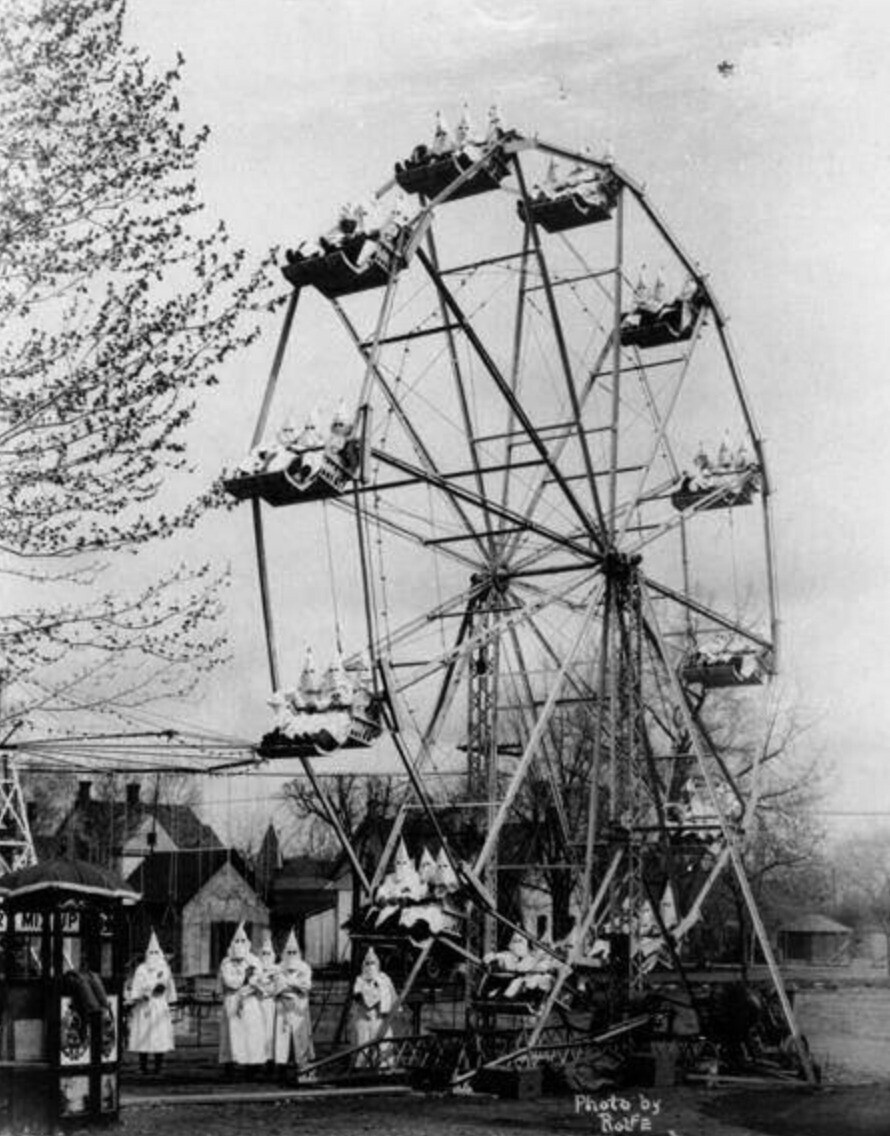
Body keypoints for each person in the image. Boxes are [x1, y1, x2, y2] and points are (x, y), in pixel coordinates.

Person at [217, 923, 267, 1080]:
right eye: (236, 941)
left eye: (242, 941)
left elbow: (259, 981)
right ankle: (230, 1066)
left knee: (251, 1033)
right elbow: (229, 982)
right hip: (232, 1001)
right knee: (232, 1034)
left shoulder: (254, 960)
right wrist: (244, 978)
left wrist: (249, 983)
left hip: (250, 1002)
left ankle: (252, 1067)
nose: (239, 945)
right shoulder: (226, 962)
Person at [126, 931, 176, 1074]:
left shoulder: (165, 968)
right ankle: (143, 1066)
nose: (153, 955)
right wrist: (142, 994)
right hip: (144, 1006)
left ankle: (158, 1066)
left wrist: (163, 992)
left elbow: (167, 985)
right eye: (151, 952)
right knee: (144, 1034)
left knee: (158, 1035)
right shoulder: (141, 969)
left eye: (156, 952)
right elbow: (136, 987)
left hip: (159, 1005)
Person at [272, 930, 314, 1081]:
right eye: (288, 951)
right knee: (282, 1037)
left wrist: (288, 984)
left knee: (300, 1036)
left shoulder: (305, 967)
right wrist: (295, 986)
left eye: (294, 951)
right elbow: (277, 987)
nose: (291, 954)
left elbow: (306, 986)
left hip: (299, 1007)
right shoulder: (278, 967)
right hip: (283, 1006)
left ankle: (301, 1065)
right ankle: (281, 1069)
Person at [351, 948, 396, 1067]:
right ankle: (361, 1069)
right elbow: (358, 996)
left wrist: (379, 989)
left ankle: (384, 1068)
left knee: (383, 1047)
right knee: (363, 1048)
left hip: (380, 1019)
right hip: (364, 1020)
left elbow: (390, 996)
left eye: (373, 963)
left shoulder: (384, 979)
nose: (370, 966)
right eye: (367, 963)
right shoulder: (360, 980)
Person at [257, 931, 279, 1067]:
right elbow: (253, 983)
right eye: (263, 953)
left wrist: (267, 988)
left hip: (271, 1004)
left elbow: (277, 987)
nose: (265, 956)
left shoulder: (277, 970)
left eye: (268, 954)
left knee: (271, 1033)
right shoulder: (256, 969)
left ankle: (270, 1061)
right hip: (258, 1004)